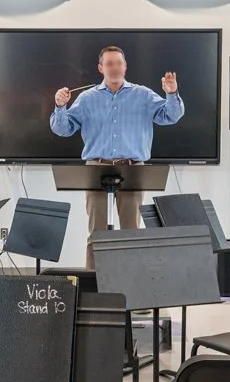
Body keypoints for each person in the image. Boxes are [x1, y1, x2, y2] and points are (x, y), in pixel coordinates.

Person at [49, 45, 183, 257]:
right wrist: (60, 106)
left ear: (125, 66)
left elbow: (171, 116)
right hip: (96, 169)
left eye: (119, 63)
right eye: (109, 63)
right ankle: (95, 278)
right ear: (101, 68)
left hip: (132, 170)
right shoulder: (87, 98)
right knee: (97, 235)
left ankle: (130, 279)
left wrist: (172, 93)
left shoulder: (143, 95)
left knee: (131, 234)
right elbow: (62, 129)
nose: (115, 67)